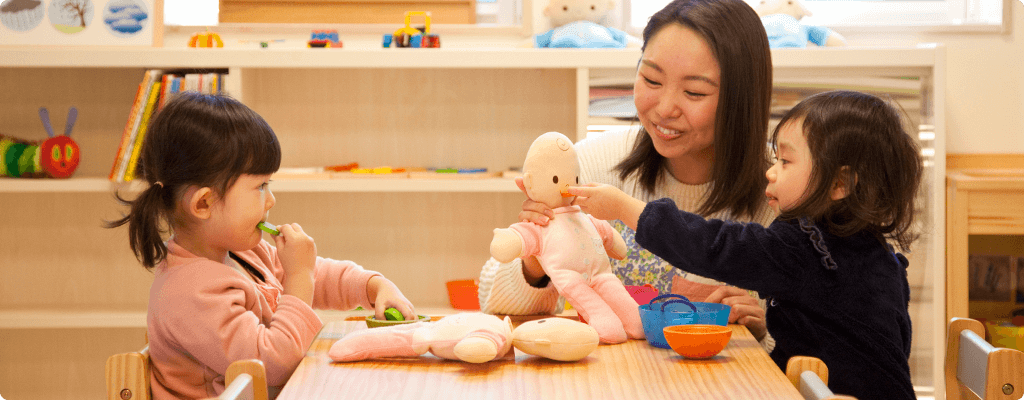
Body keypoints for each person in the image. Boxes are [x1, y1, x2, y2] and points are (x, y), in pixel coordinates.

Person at [568, 90, 920, 400]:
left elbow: (713, 246)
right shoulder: (877, 255)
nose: (771, 170)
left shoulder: (805, 248)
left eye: (785, 161)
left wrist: (625, 208)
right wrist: (772, 331)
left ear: (839, 183)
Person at [478, 0, 777, 348]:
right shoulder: (590, 166)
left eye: (694, 92)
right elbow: (494, 302)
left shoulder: (781, 191)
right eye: (651, 79)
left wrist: (762, 332)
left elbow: (812, 345)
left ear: (741, 98)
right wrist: (534, 259)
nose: (664, 109)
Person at [106, 92, 417, 399]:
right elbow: (273, 364)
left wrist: (372, 286)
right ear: (203, 203)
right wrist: (299, 279)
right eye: (260, 186)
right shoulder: (189, 292)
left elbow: (312, 274)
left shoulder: (241, 251)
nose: (271, 199)